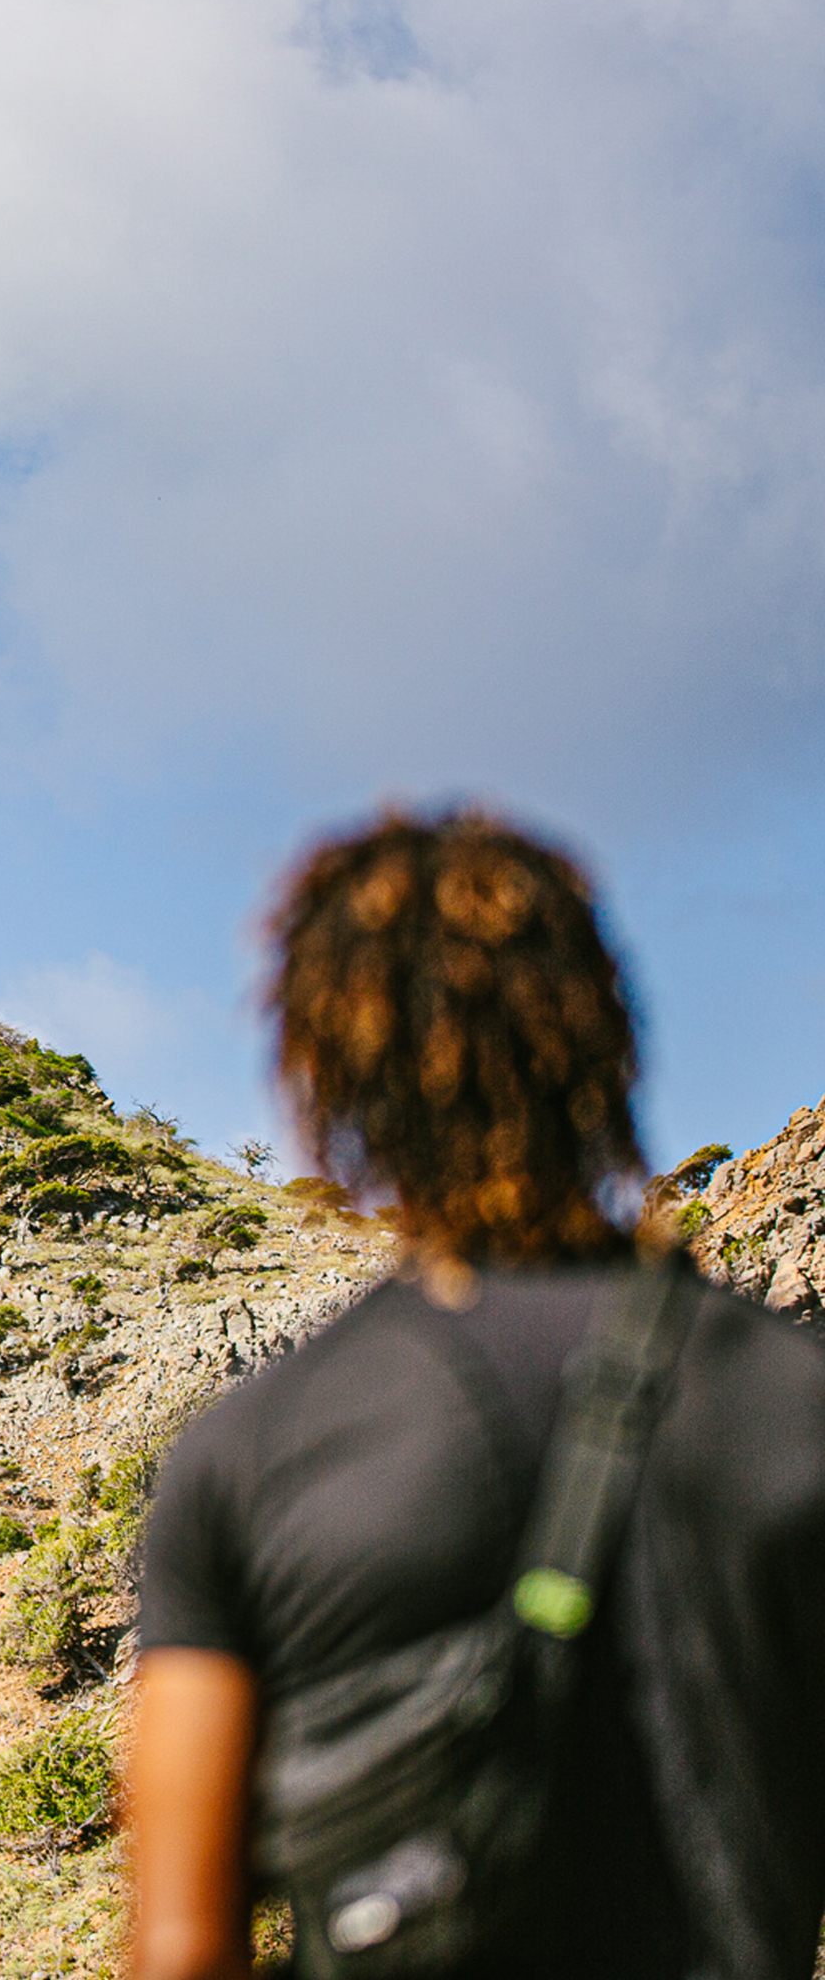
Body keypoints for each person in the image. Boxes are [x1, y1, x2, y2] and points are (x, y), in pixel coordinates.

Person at [129, 809, 825, 1980]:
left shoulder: (254, 1451)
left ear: (322, 1073)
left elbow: (177, 1948)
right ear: (606, 1039)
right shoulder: (792, 1402)